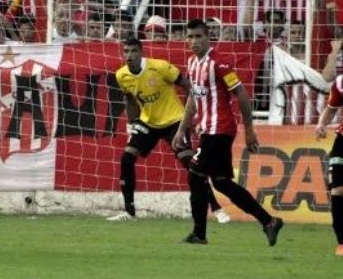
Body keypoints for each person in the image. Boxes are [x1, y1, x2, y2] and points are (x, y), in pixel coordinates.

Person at [172, 19, 284, 245]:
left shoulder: (220, 63)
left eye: (198, 37)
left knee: (195, 175)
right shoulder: (192, 63)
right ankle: (268, 221)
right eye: (190, 37)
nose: (193, 41)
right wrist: (181, 129)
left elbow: (241, 94)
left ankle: (199, 233)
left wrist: (250, 130)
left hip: (220, 130)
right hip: (207, 130)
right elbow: (193, 98)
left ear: (207, 37)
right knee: (221, 182)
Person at [108, 38, 229, 223]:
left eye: (133, 51)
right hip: (148, 122)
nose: (129, 55)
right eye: (126, 51)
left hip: (174, 120)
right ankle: (129, 212)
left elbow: (189, 86)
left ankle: (216, 208)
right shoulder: (121, 75)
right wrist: (131, 124)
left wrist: (195, 116)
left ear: (141, 52)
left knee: (190, 163)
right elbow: (130, 100)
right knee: (127, 158)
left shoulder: (160, 67)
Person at [314, 74, 343, 256]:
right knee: (337, 190)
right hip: (342, 141)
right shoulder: (341, 82)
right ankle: (342, 243)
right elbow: (332, 108)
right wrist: (321, 124)